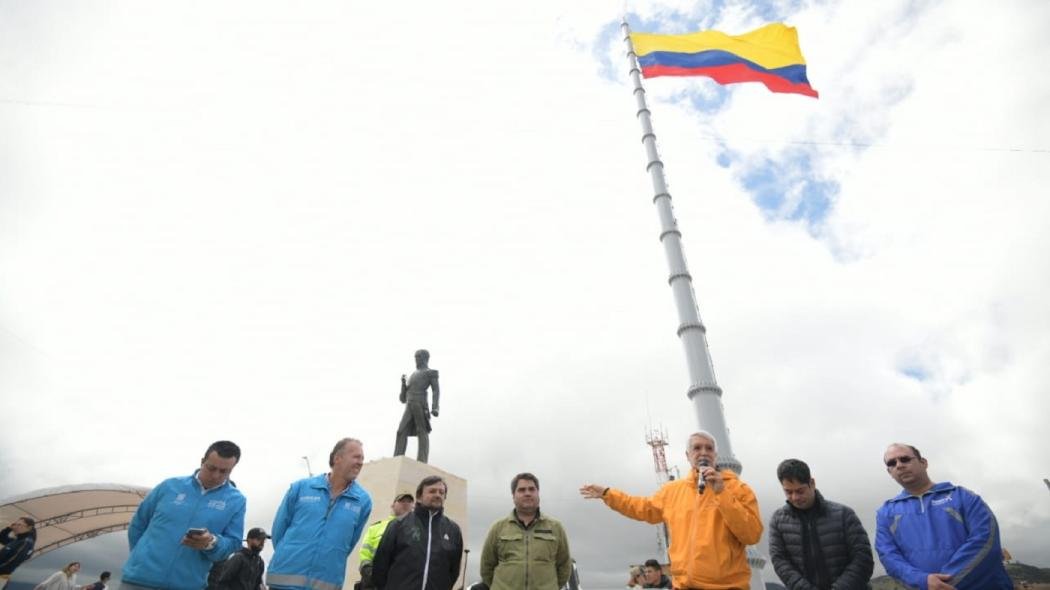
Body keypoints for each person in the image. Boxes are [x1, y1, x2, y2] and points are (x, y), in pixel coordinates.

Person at [580, 431, 763, 590]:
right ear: (687, 455)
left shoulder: (738, 489)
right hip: (683, 586)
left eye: (708, 448)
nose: (703, 453)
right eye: (697, 448)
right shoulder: (672, 491)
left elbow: (751, 534)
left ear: (716, 455)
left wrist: (721, 494)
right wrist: (607, 494)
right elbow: (640, 507)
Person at [875, 443, 1013, 590]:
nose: (899, 465)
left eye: (905, 459)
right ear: (889, 472)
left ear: (924, 463)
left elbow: (986, 541)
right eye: (892, 463)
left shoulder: (964, 497)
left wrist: (943, 585)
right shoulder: (885, 513)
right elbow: (888, 556)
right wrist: (923, 581)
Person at [122, 440, 247, 590]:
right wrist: (140, 559)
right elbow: (138, 524)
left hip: (188, 585)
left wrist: (211, 543)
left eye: (223, 472)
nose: (215, 475)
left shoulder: (236, 501)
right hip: (138, 581)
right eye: (211, 468)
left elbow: (233, 543)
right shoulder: (169, 486)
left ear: (232, 470)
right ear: (202, 462)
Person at [268, 437, 373, 590]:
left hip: (325, 584)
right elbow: (279, 531)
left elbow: (348, 544)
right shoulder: (300, 488)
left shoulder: (363, 501)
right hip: (284, 582)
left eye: (362, 458)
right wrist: (292, 555)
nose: (360, 462)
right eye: (356, 457)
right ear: (338, 458)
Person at [767, 459, 873, 590]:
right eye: (788, 492)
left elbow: (863, 558)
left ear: (812, 483)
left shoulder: (844, 515)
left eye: (800, 491)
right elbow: (780, 562)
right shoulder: (778, 521)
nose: (795, 497)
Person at [481, 473, 572, 590]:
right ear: (513, 496)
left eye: (532, 489)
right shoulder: (498, 528)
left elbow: (564, 566)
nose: (527, 493)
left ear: (538, 493)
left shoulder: (556, 528)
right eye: (522, 490)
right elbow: (486, 567)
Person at [371, 476, 464, 590]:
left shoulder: (453, 530)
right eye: (432, 491)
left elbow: (453, 571)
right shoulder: (398, 524)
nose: (437, 495)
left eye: (441, 492)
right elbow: (380, 565)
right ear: (419, 497)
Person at [357, 492, 416, 590]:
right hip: (374, 581)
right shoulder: (376, 527)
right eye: (401, 501)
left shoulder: (417, 532)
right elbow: (365, 552)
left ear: (413, 507)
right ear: (393, 505)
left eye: (409, 502)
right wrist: (367, 570)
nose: (405, 503)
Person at [393, 349, 440, 463]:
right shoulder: (412, 375)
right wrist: (403, 384)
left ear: (424, 358)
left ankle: (422, 460)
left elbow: (436, 390)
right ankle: (397, 458)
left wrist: (435, 407)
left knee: (422, 431)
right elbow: (403, 399)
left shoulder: (430, 372)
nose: (416, 359)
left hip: (420, 403)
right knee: (401, 431)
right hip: (409, 404)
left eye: (418, 357)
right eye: (415, 357)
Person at [0, 517, 36, 588]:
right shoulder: (18, 540)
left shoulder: (25, 542)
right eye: (15, 524)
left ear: (29, 527)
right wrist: (9, 528)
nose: (16, 527)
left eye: (19, 525)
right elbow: (2, 538)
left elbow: (12, 561)